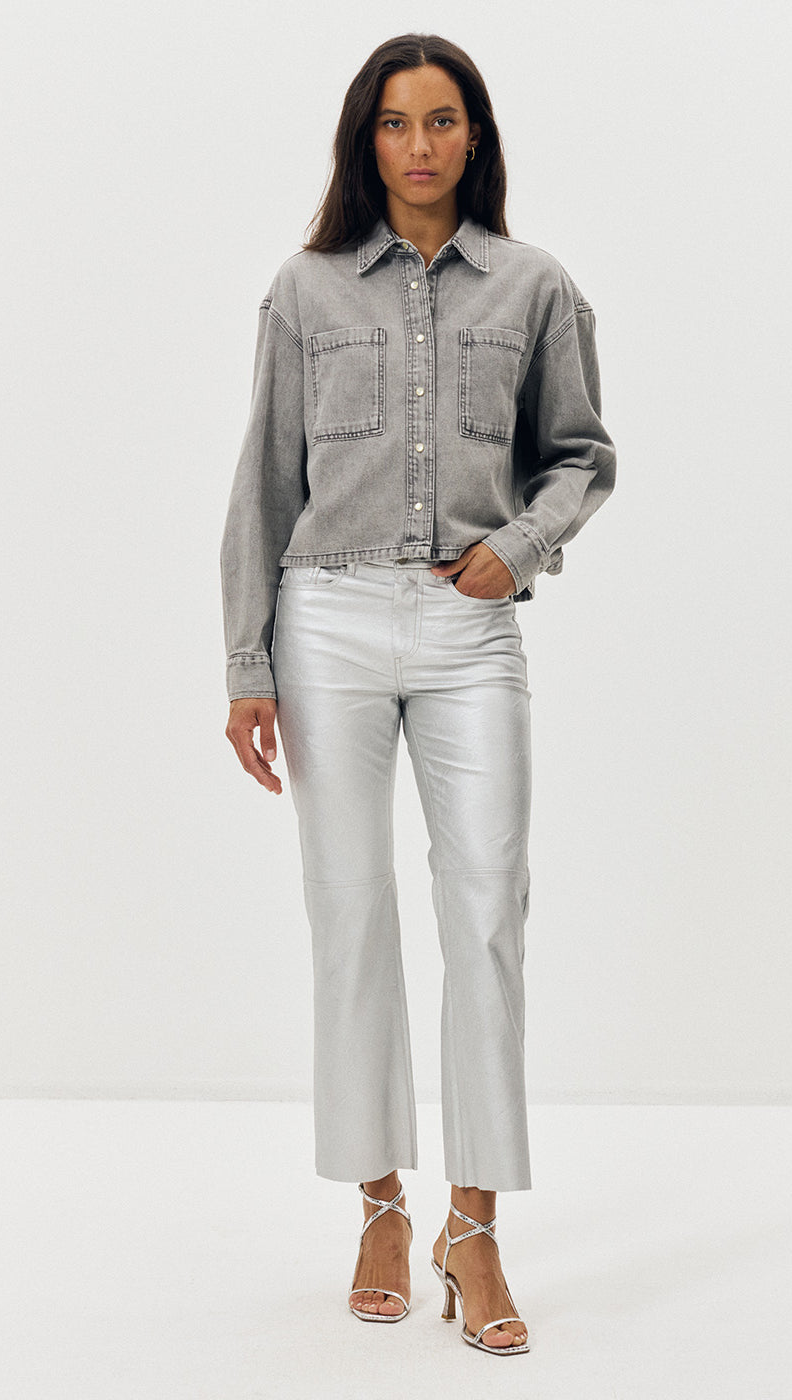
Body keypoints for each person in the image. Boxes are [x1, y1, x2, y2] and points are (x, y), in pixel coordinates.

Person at [220, 32, 616, 1356]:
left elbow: (582, 455)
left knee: (487, 915)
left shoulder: (534, 285)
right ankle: (380, 1206)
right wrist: (247, 663)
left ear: (474, 135)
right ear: (365, 141)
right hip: (326, 618)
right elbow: (262, 483)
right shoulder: (306, 287)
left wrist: (521, 546)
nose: (419, 145)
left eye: (441, 120)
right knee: (348, 915)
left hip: (469, 625)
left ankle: (474, 1228)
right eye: (395, 123)